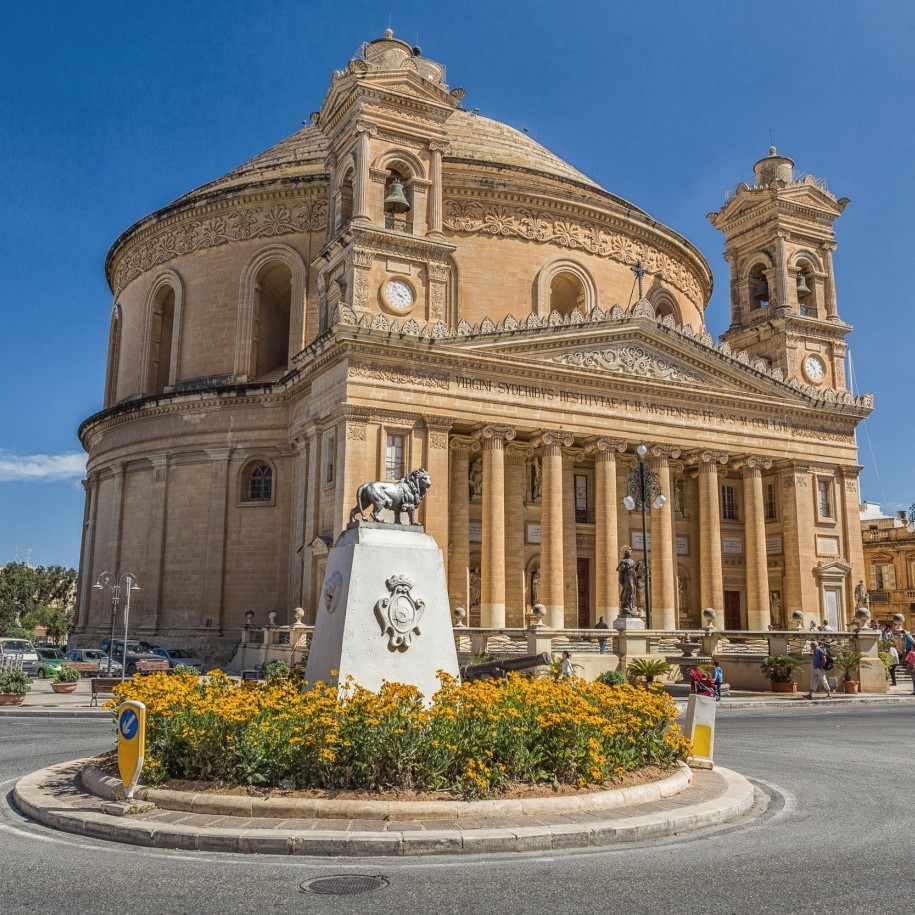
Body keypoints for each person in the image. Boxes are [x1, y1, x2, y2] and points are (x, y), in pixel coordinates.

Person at [616, 549, 638, 617]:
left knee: (632, 589)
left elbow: (635, 569)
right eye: (628, 552)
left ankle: (630, 604)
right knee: (628, 588)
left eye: (630, 552)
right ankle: (624, 604)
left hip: (632, 575)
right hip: (626, 576)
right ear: (626, 553)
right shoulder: (623, 561)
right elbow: (618, 569)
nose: (630, 553)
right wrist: (623, 567)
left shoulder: (632, 561)